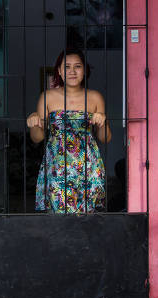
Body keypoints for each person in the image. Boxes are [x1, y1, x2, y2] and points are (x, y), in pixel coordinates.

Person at [27, 49, 111, 213]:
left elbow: (105, 138)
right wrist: (34, 122)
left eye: (77, 66)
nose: (72, 71)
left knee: (88, 218)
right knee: (59, 218)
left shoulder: (95, 97)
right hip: (57, 166)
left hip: (88, 166)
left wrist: (103, 122)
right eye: (67, 67)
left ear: (84, 70)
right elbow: (37, 138)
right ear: (59, 71)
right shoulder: (47, 97)